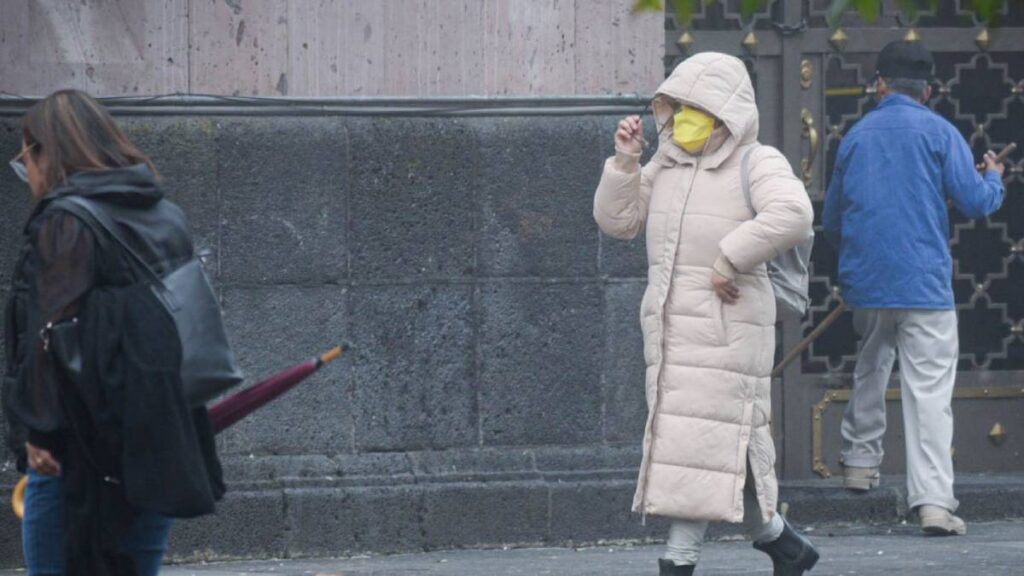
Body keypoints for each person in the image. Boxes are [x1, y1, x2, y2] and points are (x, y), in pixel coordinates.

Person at [594, 52, 818, 575]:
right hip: (672, 333)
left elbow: (794, 213)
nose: (684, 117)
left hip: (727, 330)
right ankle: (785, 546)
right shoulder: (666, 162)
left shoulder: (756, 161)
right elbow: (619, 222)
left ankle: (678, 560)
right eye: (678, 106)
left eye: (697, 107)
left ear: (726, 112)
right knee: (707, 448)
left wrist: (729, 256)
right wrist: (626, 162)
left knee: (695, 446)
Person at [3, 90, 225, 575]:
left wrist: (37, 432)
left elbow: (49, 330)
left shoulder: (65, 221)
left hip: (74, 446)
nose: (27, 176)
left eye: (26, 159)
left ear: (48, 153)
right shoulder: (165, 214)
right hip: (155, 436)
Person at [823, 41, 1005, 536]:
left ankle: (859, 463)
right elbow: (975, 202)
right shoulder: (941, 132)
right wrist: (995, 178)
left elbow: (833, 217)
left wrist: (859, 265)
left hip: (868, 281)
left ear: (880, 85)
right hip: (924, 284)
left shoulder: (856, 136)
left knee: (871, 364)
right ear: (927, 89)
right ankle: (933, 504)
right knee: (928, 394)